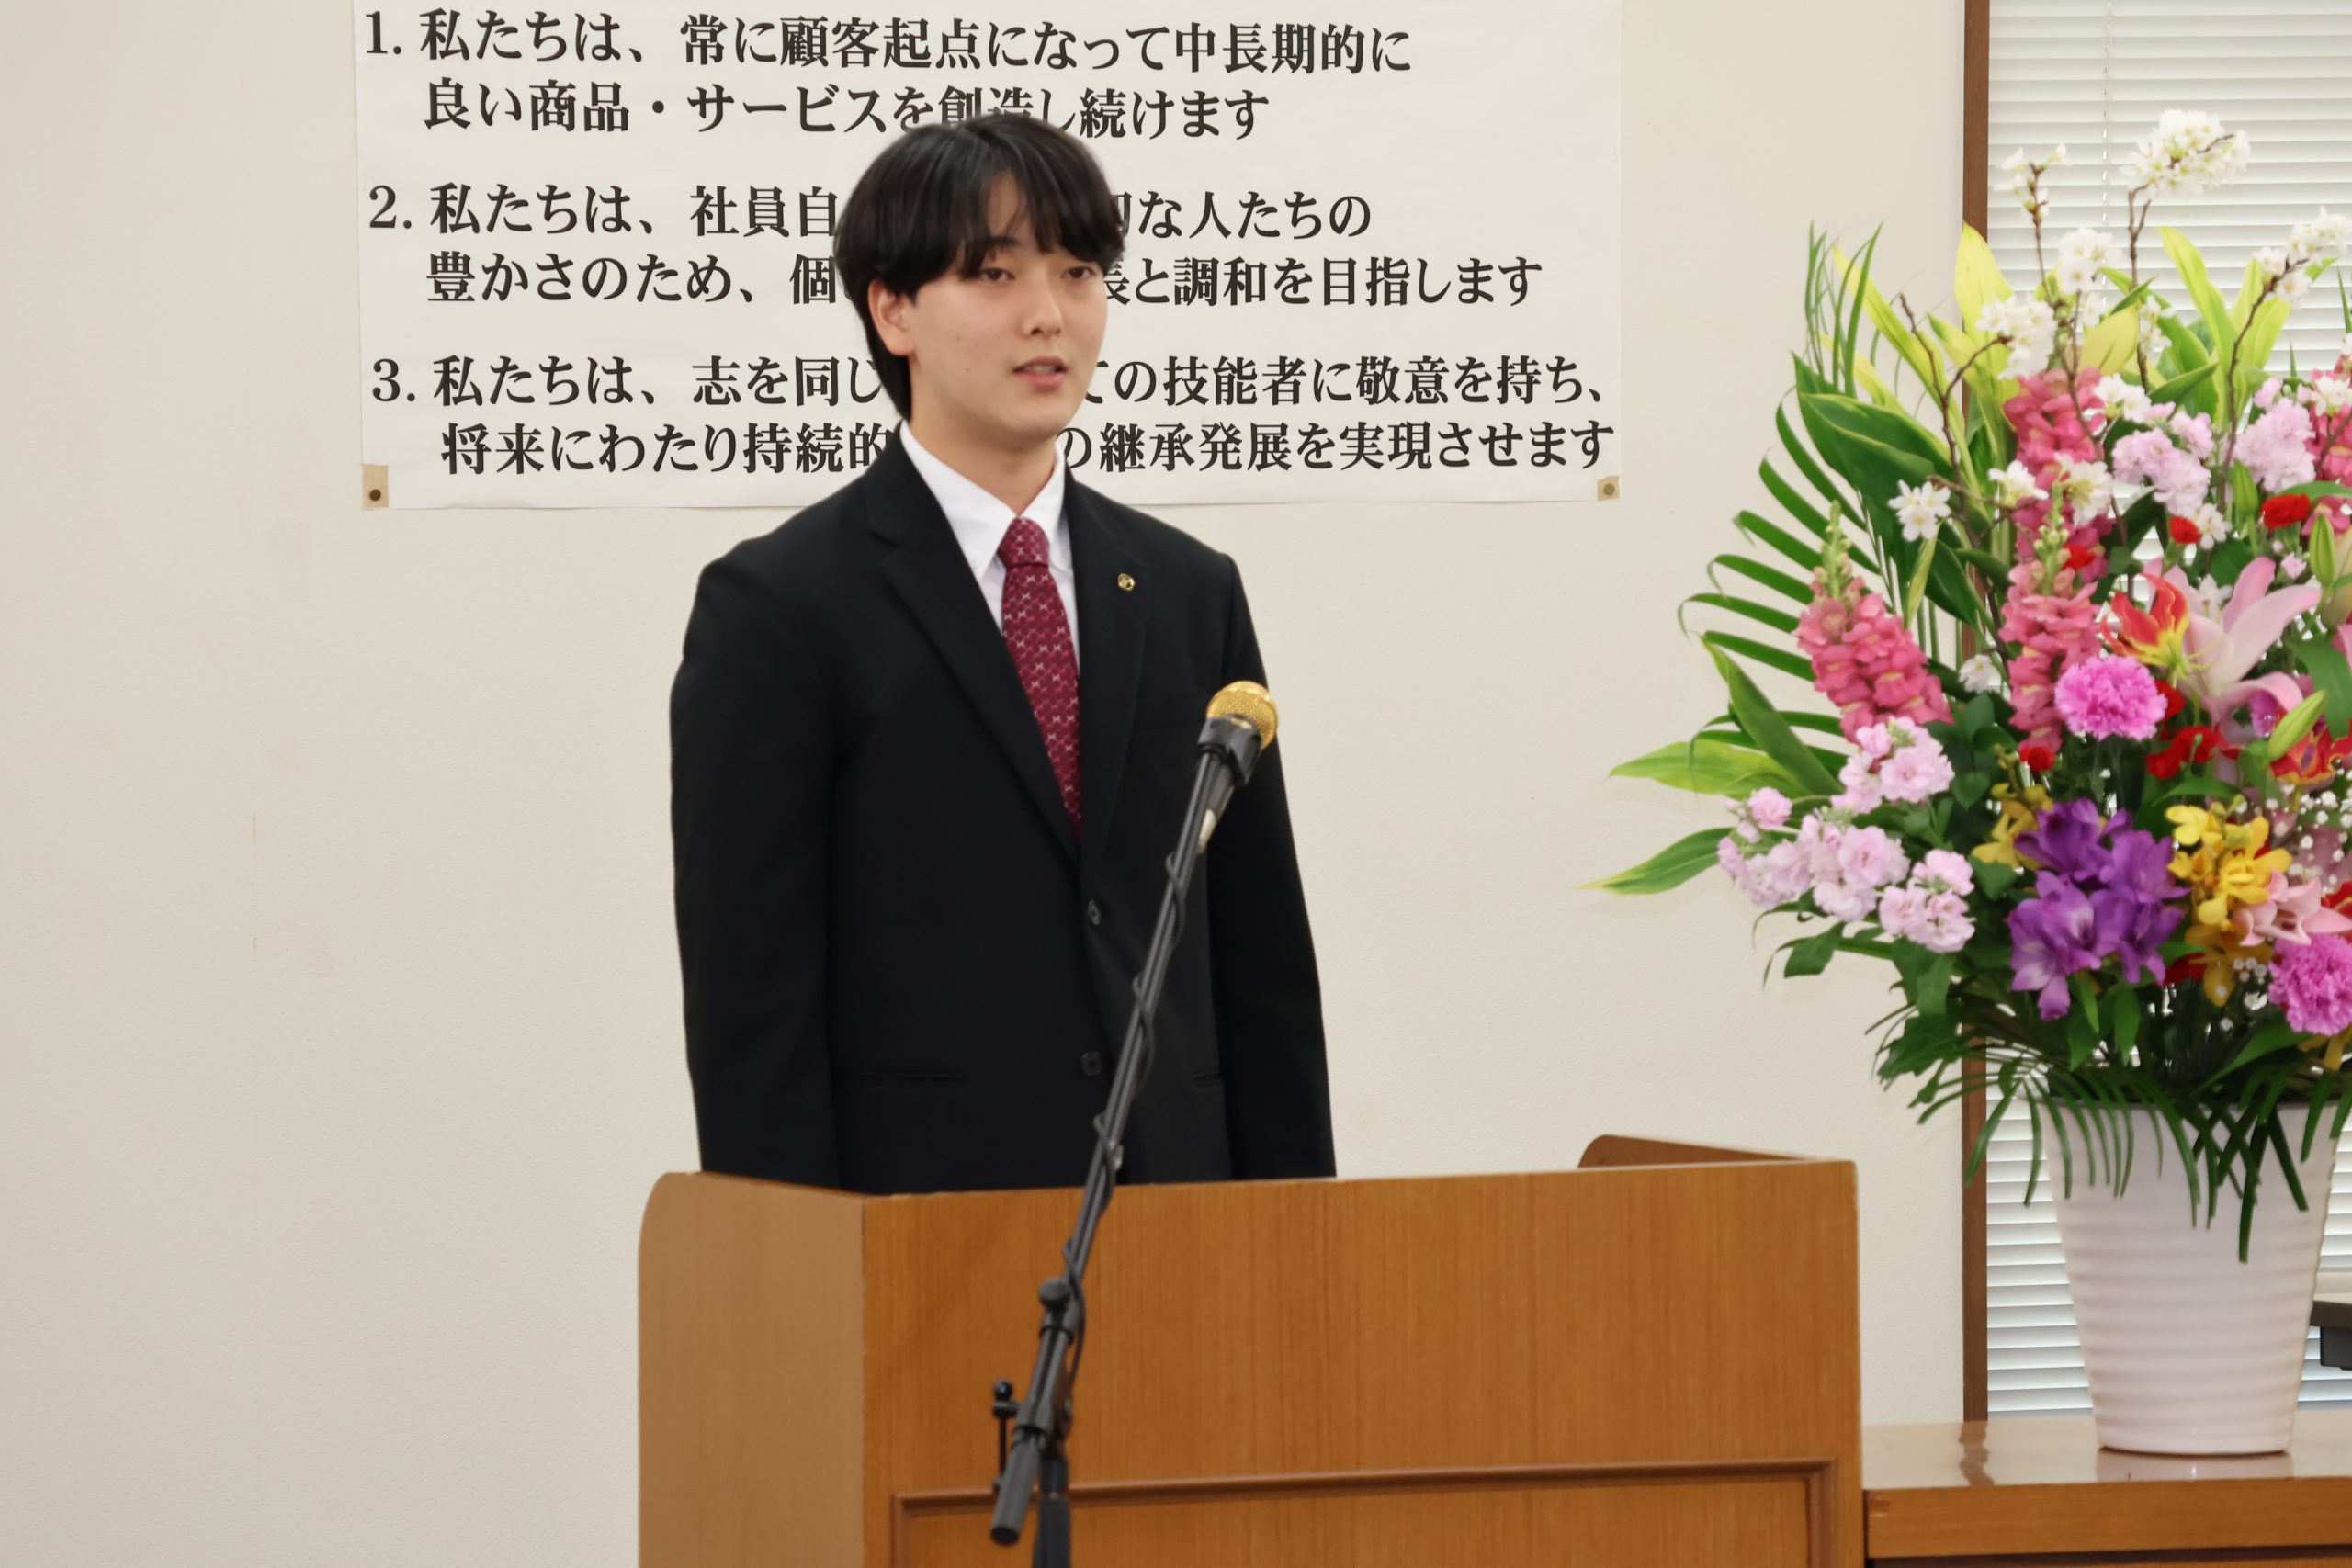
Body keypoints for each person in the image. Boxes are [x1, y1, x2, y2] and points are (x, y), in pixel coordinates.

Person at [668, 113, 1334, 1196]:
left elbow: (1263, 966)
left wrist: (1299, 1241)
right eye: (993, 273)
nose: (1048, 315)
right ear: (892, 310)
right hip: (916, 1222)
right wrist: (789, 1267)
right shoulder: (778, 606)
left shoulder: (1188, 589)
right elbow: (752, 1009)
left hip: (1183, 1214)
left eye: (1078, 272)